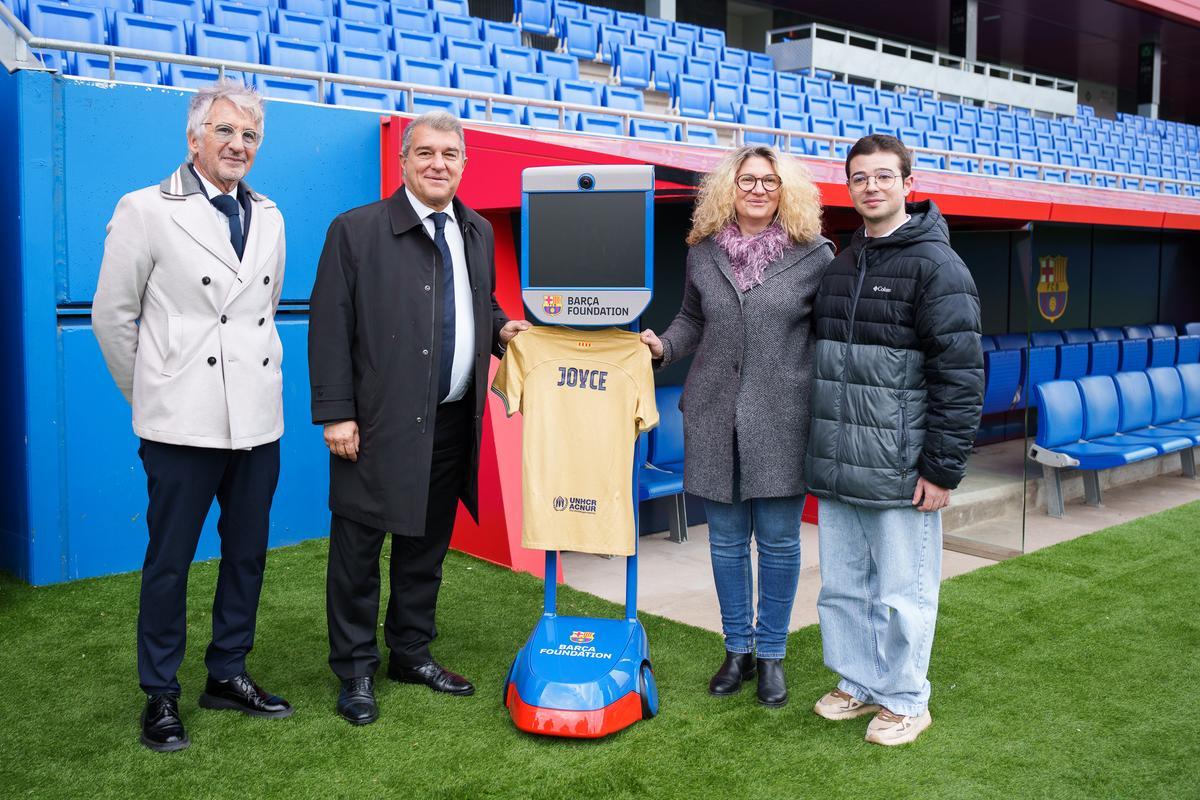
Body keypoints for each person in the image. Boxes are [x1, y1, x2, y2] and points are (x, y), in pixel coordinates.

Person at [308, 111, 529, 726]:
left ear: (464, 164)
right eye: (425, 153)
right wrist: (336, 414)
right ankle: (354, 671)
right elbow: (330, 326)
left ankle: (410, 652)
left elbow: (475, 303)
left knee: (426, 547)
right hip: (374, 425)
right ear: (403, 162)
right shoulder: (355, 231)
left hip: (453, 421)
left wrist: (503, 330)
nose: (438, 164)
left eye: (450, 155)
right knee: (358, 550)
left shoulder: (477, 230)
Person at [92, 80, 292, 753]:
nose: (239, 145)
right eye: (227, 132)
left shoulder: (270, 215)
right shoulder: (145, 209)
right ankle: (161, 694)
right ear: (194, 138)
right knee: (170, 561)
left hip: (257, 421)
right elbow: (113, 317)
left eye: (250, 136)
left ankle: (227, 673)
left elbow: (259, 314)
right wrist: (155, 393)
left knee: (246, 555)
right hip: (181, 422)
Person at [806, 134, 984, 746]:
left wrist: (942, 468)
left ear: (908, 183)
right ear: (849, 187)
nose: (872, 187)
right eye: (860, 178)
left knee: (903, 593)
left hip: (901, 468)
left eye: (884, 176)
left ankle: (907, 698)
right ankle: (859, 682)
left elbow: (960, 377)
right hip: (837, 463)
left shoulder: (938, 266)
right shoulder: (842, 263)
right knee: (843, 586)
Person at [641, 146, 833, 707]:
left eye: (768, 181)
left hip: (783, 417)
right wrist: (664, 346)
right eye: (747, 180)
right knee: (726, 543)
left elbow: (824, 337)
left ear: (785, 190)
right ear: (729, 187)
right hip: (713, 415)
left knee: (777, 543)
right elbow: (692, 319)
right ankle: (737, 650)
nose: (757, 190)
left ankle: (771, 654)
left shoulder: (816, 255)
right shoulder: (703, 251)